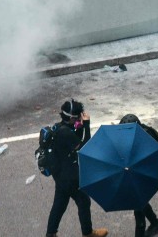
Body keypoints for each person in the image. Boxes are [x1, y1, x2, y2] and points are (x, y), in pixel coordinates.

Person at [46, 100, 108, 237]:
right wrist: (86, 124)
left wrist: (79, 127)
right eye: (78, 116)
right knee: (83, 201)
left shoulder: (60, 127)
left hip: (60, 174)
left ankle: (50, 233)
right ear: (72, 117)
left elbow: (76, 140)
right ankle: (88, 233)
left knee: (60, 204)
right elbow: (85, 146)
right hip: (69, 177)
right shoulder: (65, 133)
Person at [118, 114, 158, 237]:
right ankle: (155, 223)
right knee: (141, 200)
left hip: (144, 174)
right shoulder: (147, 132)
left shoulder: (144, 139)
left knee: (137, 205)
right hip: (147, 172)